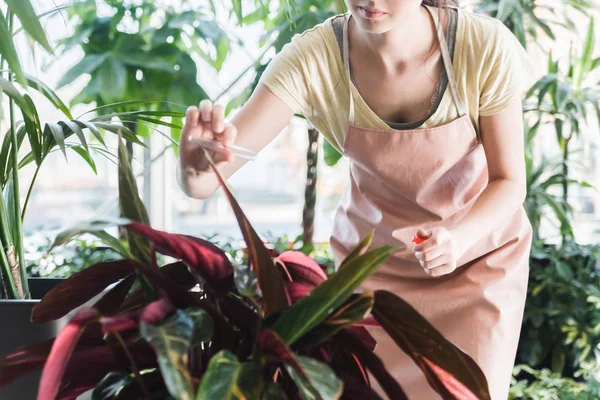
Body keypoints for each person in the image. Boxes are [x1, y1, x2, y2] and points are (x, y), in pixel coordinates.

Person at [177, 0, 535, 398]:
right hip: (374, 271)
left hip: (478, 262)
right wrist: (196, 165)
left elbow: (509, 181)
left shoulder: (480, 46)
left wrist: (458, 237)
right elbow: (206, 183)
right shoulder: (314, 59)